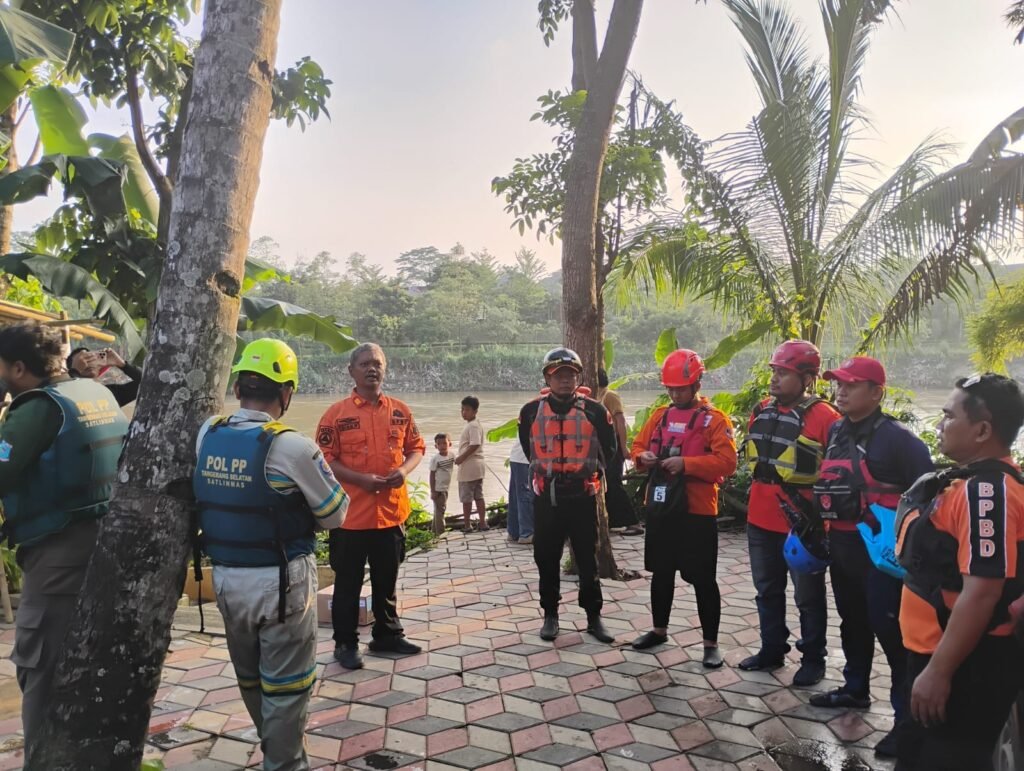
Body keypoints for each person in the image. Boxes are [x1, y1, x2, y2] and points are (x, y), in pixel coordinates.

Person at [193, 338, 348, 771]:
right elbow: (336, 514)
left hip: (223, 579)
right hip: (280, 583)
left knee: (250, 677)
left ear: (239, 386)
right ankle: (284, 763)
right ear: (286, 393)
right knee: (288, 685)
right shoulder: (293, 447)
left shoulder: (209, 432)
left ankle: (277, 749)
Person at [0, 322, 128, 752]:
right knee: (82, 655)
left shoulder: (36, 408)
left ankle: (42, 758)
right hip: (100, 537)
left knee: (38, 664)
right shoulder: (92, 392)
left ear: (18, 368)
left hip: (57, 549)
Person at [895, 374, 1024, 771]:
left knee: (950, 758)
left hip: (966, 664)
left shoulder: (987, 492)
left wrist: (939, 672)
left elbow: (982, 591)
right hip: (937, 651)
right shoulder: (969, 480)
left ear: (983, 430)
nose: (939, 425)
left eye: (949, 417)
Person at [809, 357, 934, 758]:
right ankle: (855, 689)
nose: (840, 391)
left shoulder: (900, 440)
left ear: (877, 392)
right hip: (842, 549)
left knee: (896, 639)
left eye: (851, 385)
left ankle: (905, 723)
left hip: (882, 559)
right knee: (853, 622)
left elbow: (928, 499)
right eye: (837, 384)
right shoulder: (835, 430)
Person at [316, 343, 425, 670]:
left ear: (385, 368)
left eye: (377, 363)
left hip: (391, 514)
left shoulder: (400, 410)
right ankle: (345, 643)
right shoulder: (336, 415)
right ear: (351, 371)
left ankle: (386, 635)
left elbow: (416, 448)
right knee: (347, 583)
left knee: (386, 580)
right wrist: (360, 479)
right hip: (349, 516)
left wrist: (403, 472)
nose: (371, 368)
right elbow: (324, 459)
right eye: (364, 364)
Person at [740, 339, 840, 686]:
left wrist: (827, 523)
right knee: (766, 589)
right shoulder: (761, 409)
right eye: (775, 372)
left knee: (808, 596)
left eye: (784, 373)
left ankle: (813, 658)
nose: (775, 379)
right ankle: (772, 649)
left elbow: (839, 473)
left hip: (803, 525)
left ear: (807, 378)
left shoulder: (826, 417)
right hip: (759, 518)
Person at [630, 349, 737, 667]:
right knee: (661, 573)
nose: (675, 394)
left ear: (696, 384)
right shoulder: (660, 416)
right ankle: (658, 630)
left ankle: (710, 644)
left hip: (697, 511)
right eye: (671, 388)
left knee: (703, 578)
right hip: (661, 508)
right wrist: (643, 458)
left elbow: (727, 462)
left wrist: (686, 464)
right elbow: (637, 446)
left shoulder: (714, 420)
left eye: (681, 388)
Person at [518, 347, 617, 643]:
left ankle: (593, 617)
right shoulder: (530, 411)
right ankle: (550, 614)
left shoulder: (596, 411)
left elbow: (609, 450)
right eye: (558, 375)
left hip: (582, 495)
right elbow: (529, 447)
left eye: (570, 375)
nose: (565, 380)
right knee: (546, 558)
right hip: (547, 497)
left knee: (588, 559)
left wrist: (589, 472)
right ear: (548, 378)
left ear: (578, 378)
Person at [596, 368, 642, 536]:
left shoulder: (609, 396)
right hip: (601, 448)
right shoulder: (597, 396)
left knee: (613, 482)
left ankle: (633, 522)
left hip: (613, 445)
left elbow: (620, 421)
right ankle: (613, 521)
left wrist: (623, 447)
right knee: (605, 483)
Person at [67, 346, 142, 406]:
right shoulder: (68, 395)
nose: (87, 363)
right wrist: (76, 372)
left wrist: (122, 364)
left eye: (90, 359)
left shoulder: (110, 393)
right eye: (80, 362)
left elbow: (145, 383)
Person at [455, 395, 487, 531]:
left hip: (469, 466)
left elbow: (474, 444)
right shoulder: (474, 424)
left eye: (467, 410)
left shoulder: (473, 426)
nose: (463, 412)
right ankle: (482, 522)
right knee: (478, 496)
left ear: (475, 411)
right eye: (462, 409)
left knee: (467, 497)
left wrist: (461, 458)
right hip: (477, 466)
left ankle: (467, 525)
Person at [507, 439, 535, 545]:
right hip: (525, 458)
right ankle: (527, 532)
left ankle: (514, 532)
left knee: (515, 496)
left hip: (517, 457)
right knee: (525, 494)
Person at [429, 433, 454, 535]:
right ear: (436, 446)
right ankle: (441, 532)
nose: (442, 446)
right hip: (438, 488)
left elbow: (459, 461)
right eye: (439, 444)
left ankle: (434, 532)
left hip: (445, 487)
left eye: (445, 443)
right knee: (440, 511)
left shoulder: (452, 455)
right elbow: (432, 475)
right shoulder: (435, 459)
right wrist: (433, 491)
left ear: (450, 444)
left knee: (438, 510)